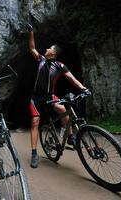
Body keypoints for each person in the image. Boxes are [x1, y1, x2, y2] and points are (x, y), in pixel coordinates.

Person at [26, 24, 90, 168]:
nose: (47, 49)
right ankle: (34, 153)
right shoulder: (41, 60)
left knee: (62, 109)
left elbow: (72, 79)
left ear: (53, 53)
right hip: (36, 98)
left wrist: (83, 88)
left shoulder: (60, 66)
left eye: (50, 48)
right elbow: (32, 48)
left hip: (50, 96)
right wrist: (31, 33)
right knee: (35, 121)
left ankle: (70, 137)